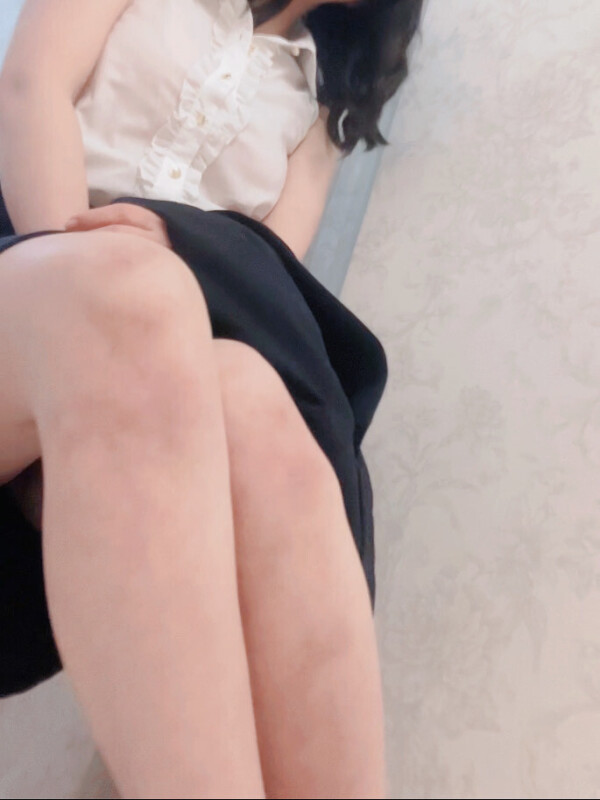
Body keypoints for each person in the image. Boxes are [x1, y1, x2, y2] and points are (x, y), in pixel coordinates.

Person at [0, 0, 422, 796]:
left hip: (164, 362)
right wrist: (97, 278)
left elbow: (268, 274)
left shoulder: (322, 107)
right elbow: (30, 86)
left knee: (255, 400)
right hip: (26, 277)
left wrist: (173, 252)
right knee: (135, 299)